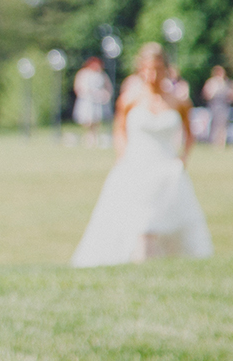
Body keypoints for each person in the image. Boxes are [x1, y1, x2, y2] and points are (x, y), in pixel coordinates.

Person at [71, 43, 213, 267]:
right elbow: (119, 130)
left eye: (158, 69)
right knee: (139, 218)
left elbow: (189, 134)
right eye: (148, 69)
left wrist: (183, 159)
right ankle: (141, 259)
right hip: (136, 164)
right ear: (140, 69)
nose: (153, 75)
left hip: (167, 168)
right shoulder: (129, 99)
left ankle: (163, 259)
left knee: (169, 219)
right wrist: (122, 155)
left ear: (166, 69)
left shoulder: (179, 101)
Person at [73, 57, 113, 148]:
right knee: (88, 119)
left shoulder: (101, 74)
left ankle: (93, 137)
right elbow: (79, 86)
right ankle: (88, 136)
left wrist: (106, 94)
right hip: (87, 100)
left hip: (98, 100)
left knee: (96, 119)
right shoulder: (84, 73)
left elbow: (108, 86)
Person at [201, 65, 233, 147]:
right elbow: (206, 94)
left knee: (223, 125)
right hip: (214, 105)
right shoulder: (211, 82)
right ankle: (213, 141)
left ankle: (222, 142)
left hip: (224, 106)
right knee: (214, 124)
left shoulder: (226, 82)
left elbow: (232, 95)